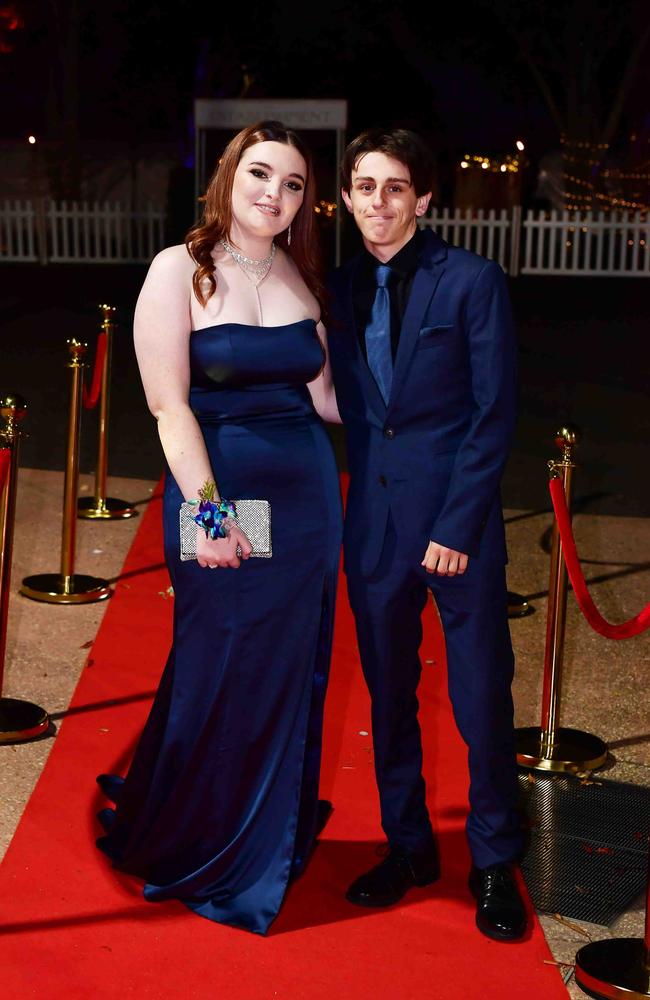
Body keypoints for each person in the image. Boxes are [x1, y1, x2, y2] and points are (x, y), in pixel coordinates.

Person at [96, 120, 342, 935]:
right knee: (225, 656)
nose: (276, 194)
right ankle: (203, 832)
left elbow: (329, 402)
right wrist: (209, 514)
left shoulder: (302, 275)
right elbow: (169, 406)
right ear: (230, 176)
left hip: (306, 499)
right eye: (262, 174)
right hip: (225, 491)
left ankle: (267, 826)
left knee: (284, 663)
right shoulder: (180, 269)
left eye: (295, 183)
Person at [327, 128, 527, 941]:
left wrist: (456, 524)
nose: (380, 202)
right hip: (373, 529)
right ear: (345, 197)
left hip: (458, 530)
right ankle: (409, 846)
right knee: (390, 696)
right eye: (365, 187)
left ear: (425, 198)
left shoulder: (473, 281)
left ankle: (492, 862)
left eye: (396, 187)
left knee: (480, 697)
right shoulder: (335, 288)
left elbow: (494, 412)